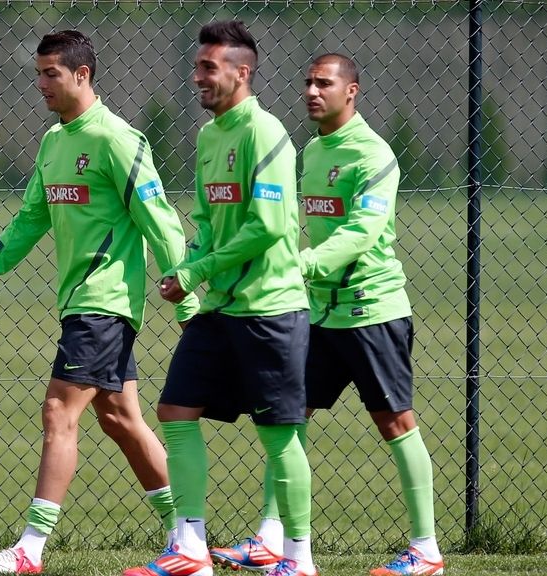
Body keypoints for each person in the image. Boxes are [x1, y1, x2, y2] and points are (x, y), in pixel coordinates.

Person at [0, 30, 198, 576]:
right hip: (81, 304)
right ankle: (187, 538)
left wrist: (187, 300)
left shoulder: (117, 139)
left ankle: (30, 549)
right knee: (120, 417)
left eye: (50, 74)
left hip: (103, 303)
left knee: (60, 411)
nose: (40, 85)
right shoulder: (53, 143)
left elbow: (162, 224)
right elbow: (30, 220)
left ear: (82, 75)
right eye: (38, 73)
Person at [125, 20, 316, 576]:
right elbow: (208, 224)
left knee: (279, 435)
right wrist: (185, 267)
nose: (198, 77)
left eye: (209, 67)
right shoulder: (210, 138)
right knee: (175, 410)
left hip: (271, 308)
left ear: (242, 72)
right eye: (198, 66)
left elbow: (271, 225)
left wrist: (199, 269)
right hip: (221, 308)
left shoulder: (266, 133)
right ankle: (189, 549)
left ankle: (298, 559)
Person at [299, 52, 444, 576]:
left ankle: (425, 550)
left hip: (372, 312)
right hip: (321, 315)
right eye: (309, 83)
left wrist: (306, 264)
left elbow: (361, 232)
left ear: (351, 91)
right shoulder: (312, 152)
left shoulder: (374, 154)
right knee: (287, 415)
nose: (313, 92)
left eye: (325, 84)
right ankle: (276, 538)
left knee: (396, 422)